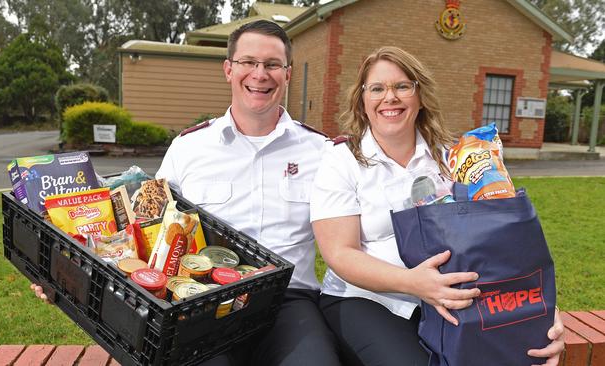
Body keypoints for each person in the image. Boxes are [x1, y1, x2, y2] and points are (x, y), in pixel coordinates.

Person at [309, 46, 564, 366]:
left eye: (403, 86)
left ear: (420, 95)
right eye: (377, 88)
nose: (390, 97)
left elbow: (499, 241)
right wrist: (415, 283)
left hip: (453, 297)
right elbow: (340, 253)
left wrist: (538, 312)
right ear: (362, 100)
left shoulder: (454, 158)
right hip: (366, 299)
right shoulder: (341, 160)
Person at [154, 20, 341, 366]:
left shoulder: (323, 151)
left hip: (290, 303)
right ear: (228, 69)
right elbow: (150, 232)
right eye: (248, 63)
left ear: (287, 74)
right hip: (204, 300)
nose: (260, 74)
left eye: (272, 65)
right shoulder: (188, 147)